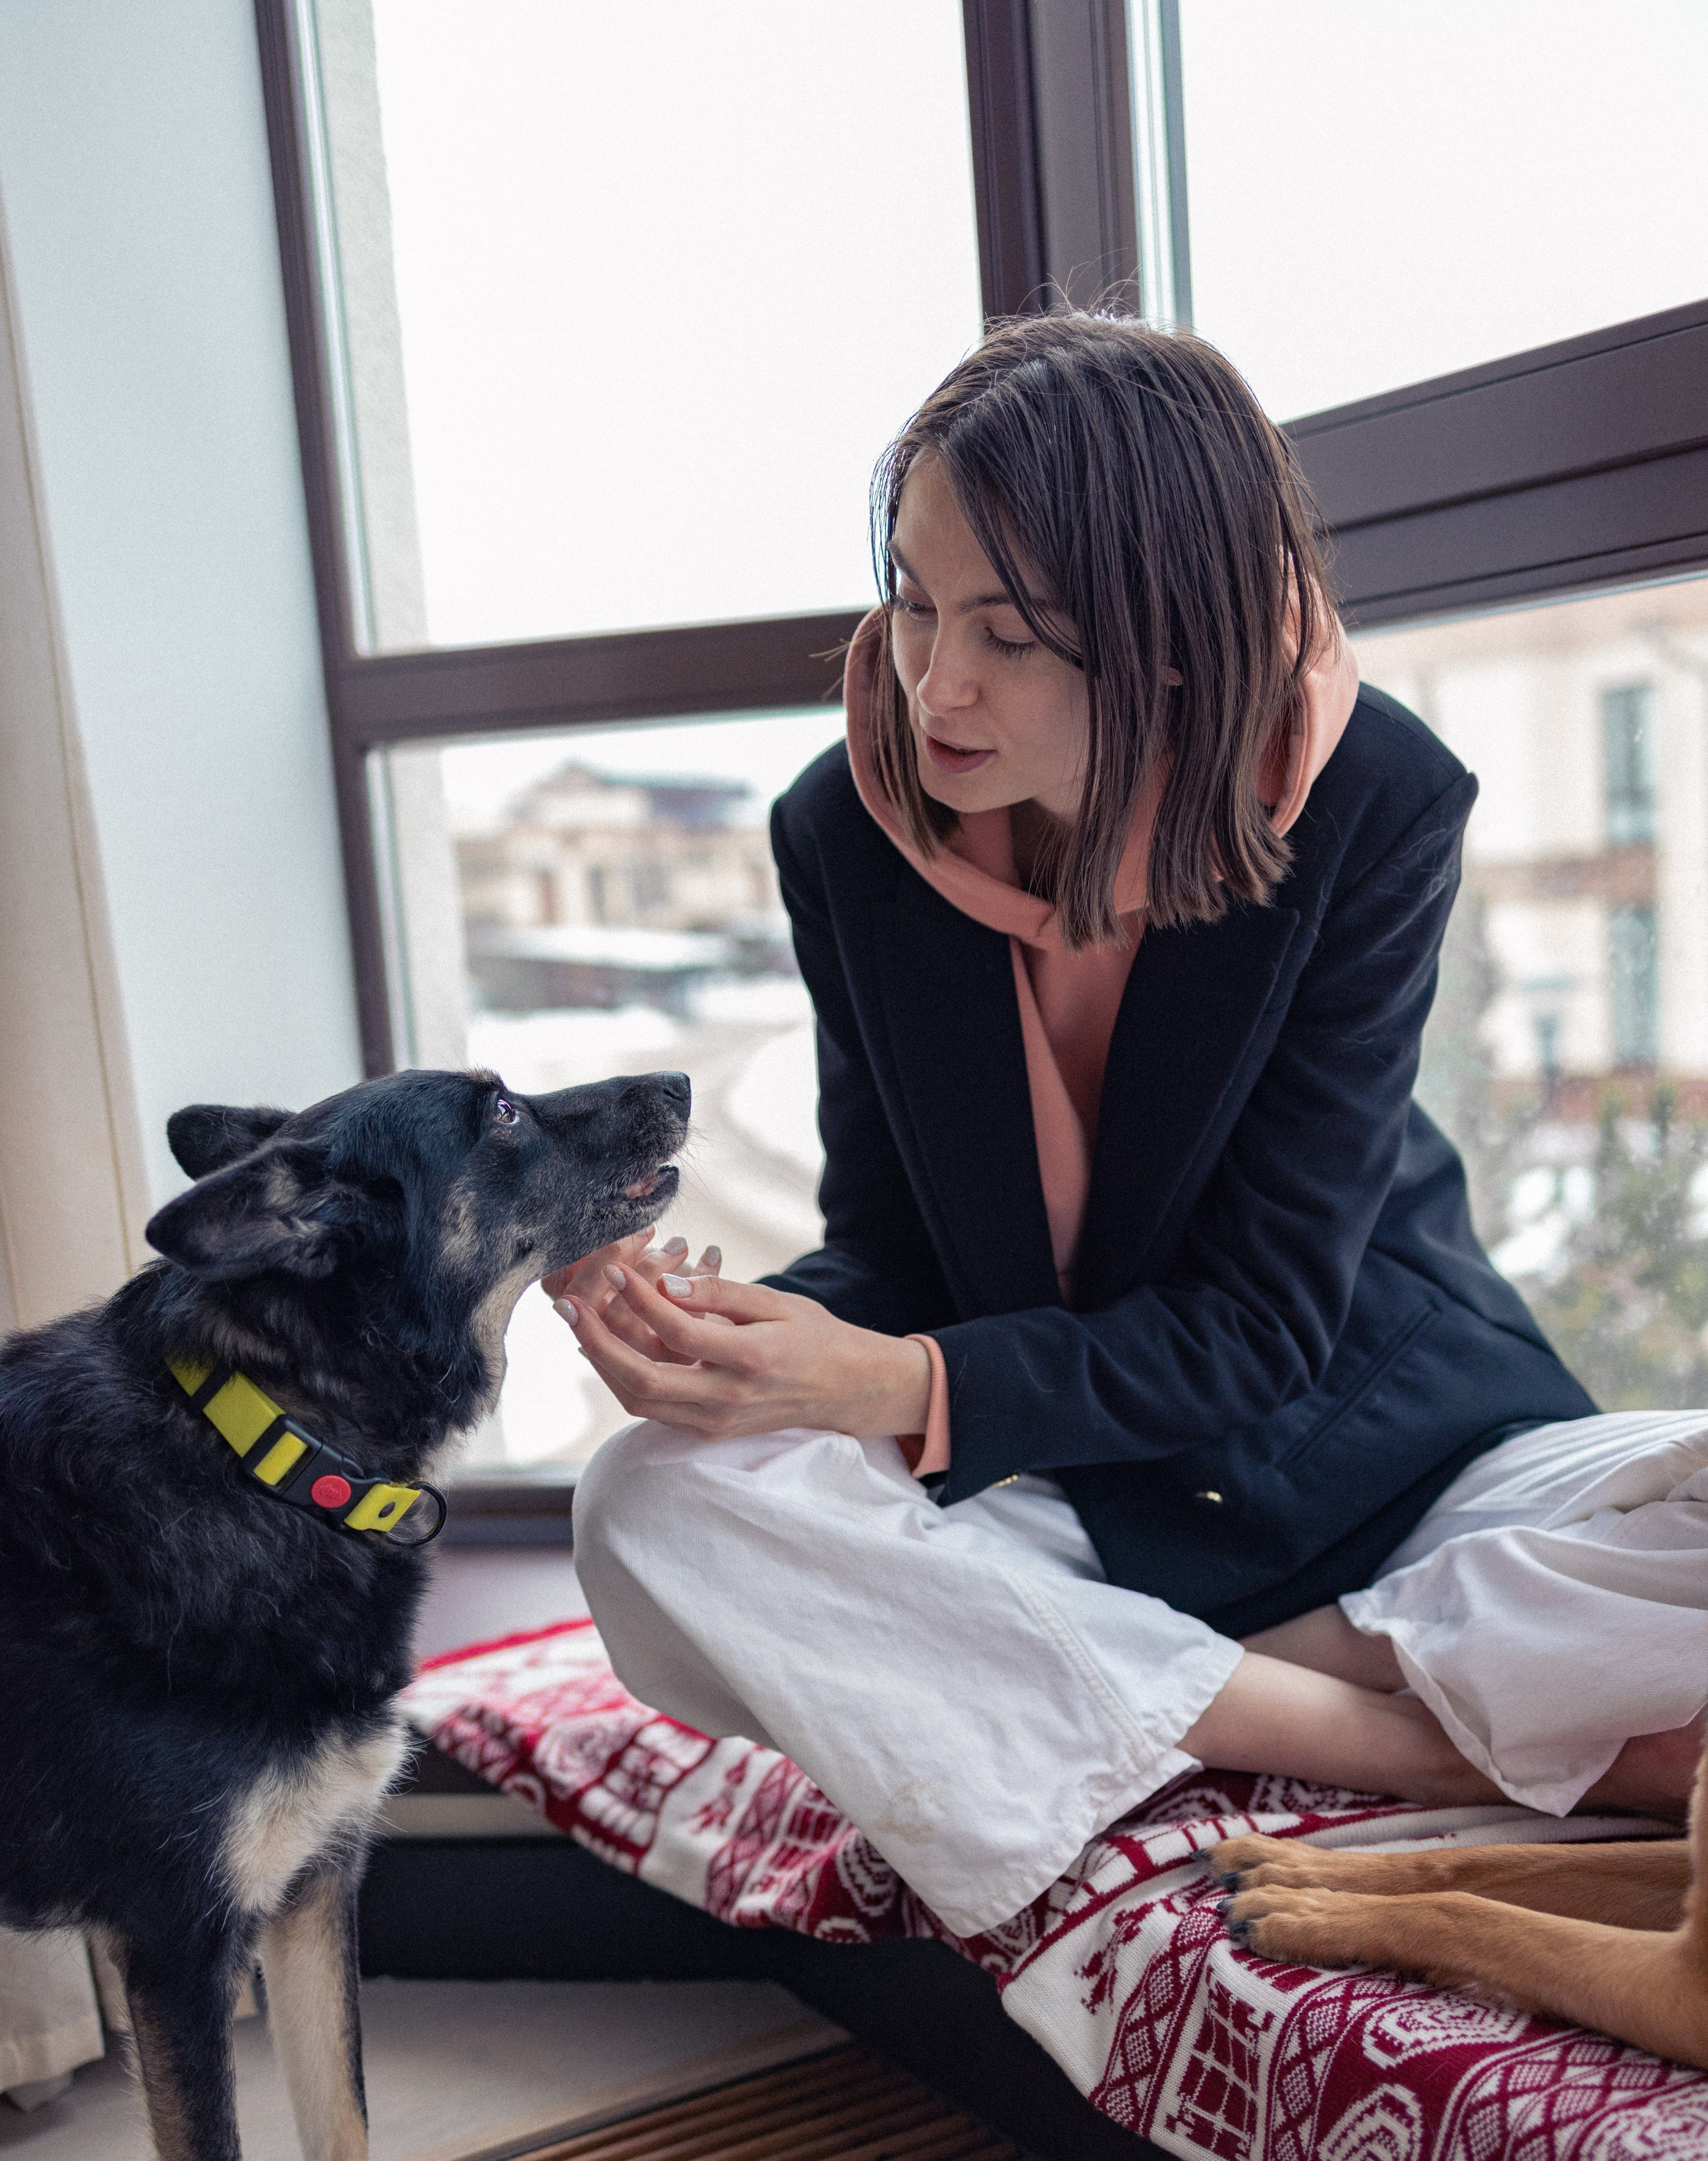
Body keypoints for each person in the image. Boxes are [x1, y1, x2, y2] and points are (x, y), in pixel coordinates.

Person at [545, 315, 1706, 1939]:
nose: (931, 680)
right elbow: (893, 1232)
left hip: (1388, 1449)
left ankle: (1157, 1676)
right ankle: (1375, 1729)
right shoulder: (843, 823)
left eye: (1008, 633)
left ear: (1165, 637)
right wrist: (753, 1340)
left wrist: (892, 1383)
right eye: (910, 595)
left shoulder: (1370, 798)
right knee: (655, 1503)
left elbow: (1260, 1320)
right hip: (1057, 1476)